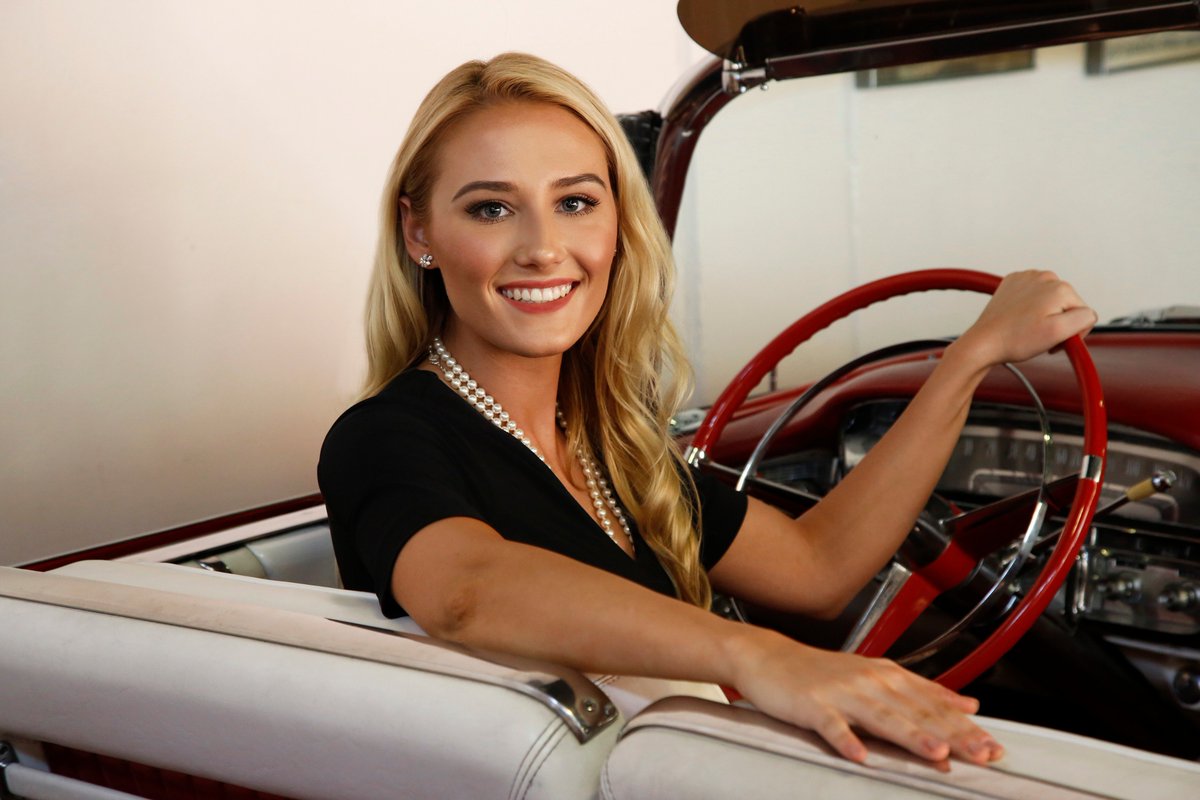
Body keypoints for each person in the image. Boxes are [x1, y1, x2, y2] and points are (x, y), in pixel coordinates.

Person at [318, 52, 1096, 767]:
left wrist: (970, 358)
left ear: (618, 226)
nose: (544, 248)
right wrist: (758, 656)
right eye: (492, 209)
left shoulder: (611, 448)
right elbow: (465, 590)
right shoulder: (384, 434)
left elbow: (818, 567)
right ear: (419, 232)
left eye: (576, 202)